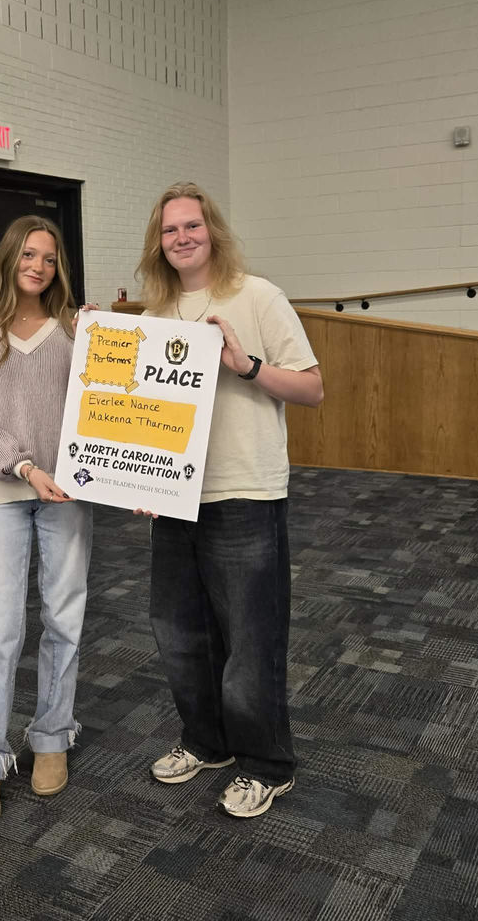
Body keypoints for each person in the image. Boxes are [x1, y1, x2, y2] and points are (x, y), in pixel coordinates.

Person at [135, 182, 323, 819]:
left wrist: (245, 365)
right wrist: (136, 479)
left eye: (192, 226)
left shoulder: (257, 294)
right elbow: (136, 413)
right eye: (169, 231)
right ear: (157, 243)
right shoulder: (154, 314)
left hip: (244, 492)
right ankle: (206, 742)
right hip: (174, 497)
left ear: (211, 230)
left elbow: (312, 388)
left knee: (250, 638)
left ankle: (266, 765)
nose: (182, 238)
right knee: (179, 633)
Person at [0, 215, 92, 826]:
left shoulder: (72, 330)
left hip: (70, 492)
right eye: (29, 255)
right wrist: (27, 467)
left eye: (50, 259)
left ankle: (52, 736)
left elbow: (110, 405)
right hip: (4, 491)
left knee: (64, 616)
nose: (39, 267)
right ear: (9, 258)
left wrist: (104, 339)